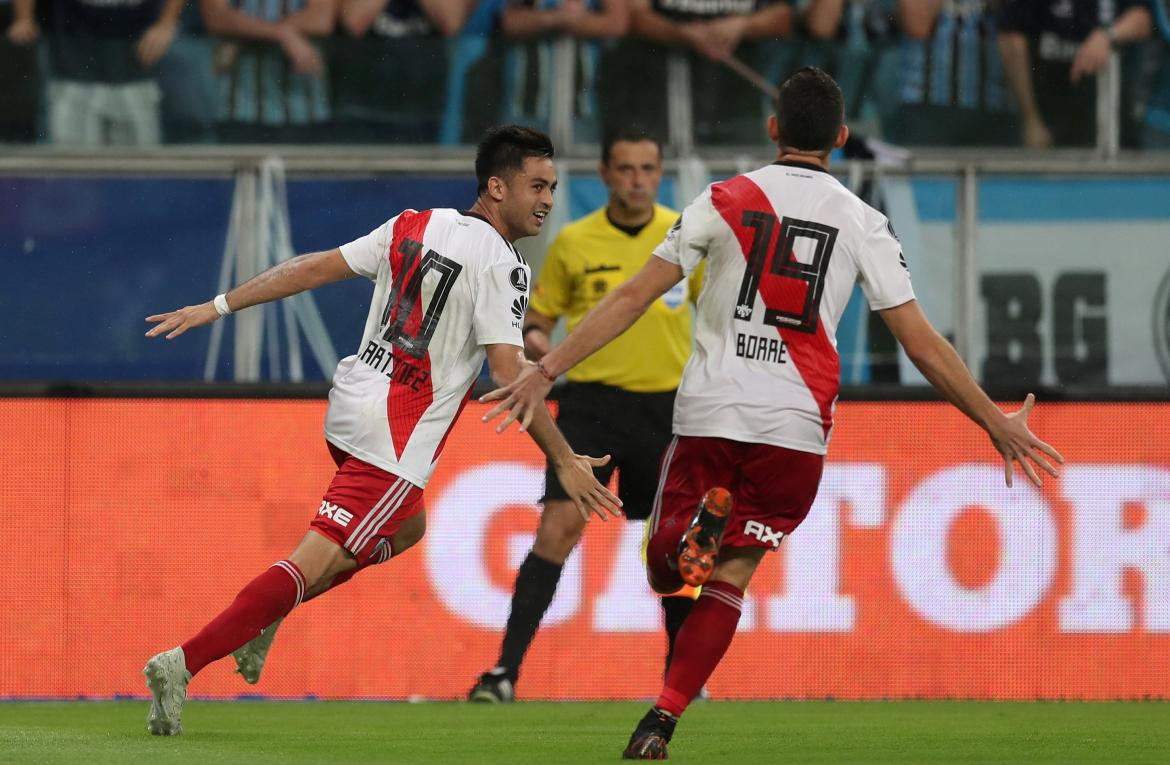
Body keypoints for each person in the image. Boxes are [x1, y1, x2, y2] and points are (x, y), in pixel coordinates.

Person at [480, 68, 1064, 759]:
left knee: (666, 571)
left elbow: (635, 295)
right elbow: (920, 340)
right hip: (796, 425)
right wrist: (994, 421)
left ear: (772, 130)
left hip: (710, 411)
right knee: (731, 576)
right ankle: (661, 720)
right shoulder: (863, 220)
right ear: (841, 139)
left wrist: (546, 366)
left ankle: (684, 544)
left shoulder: (724, 198)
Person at [139, 125, 622, 736]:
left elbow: (314, 267)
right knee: (309, 563)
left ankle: (263, 619)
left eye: (553, 186)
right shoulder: (504, 265)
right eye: (537, 185)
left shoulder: (413, 222)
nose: (549, 198)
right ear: (496, 187)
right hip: (395, 436)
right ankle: (184, 662)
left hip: (350, 406)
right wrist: (564, 460)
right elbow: (506, 375)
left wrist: (218, 305)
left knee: (410, 525)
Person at [467, 129, 702, 703]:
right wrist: (542, 348)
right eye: (625, 168)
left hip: (665, 408)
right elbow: (538, 320)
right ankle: (504, 673)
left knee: (671, 547)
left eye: (648, 168)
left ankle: (683, 680)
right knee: (558, 529)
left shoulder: (685, 237)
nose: (637, 180)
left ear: (659, 172)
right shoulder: (573, 242)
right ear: (605, 173)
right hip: (592, 404)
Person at [21, 0, 185, 145]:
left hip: (134, 69)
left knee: (139, 172)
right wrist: (23, 18)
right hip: (72, 69)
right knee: (73, 171)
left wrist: (167, 22)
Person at [998, 0, 1148, 147]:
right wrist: (1031, 120)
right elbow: (1011, 38)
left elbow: (1143, 18)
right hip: (1050, 114)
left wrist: (1107, 36)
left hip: (1111, 121)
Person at [199, 0, 335, 142]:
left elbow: (321, 19)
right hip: (240, 106)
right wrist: (283, 34)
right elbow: (217, 17)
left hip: (303, 107)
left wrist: (255, 28)